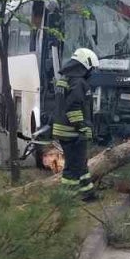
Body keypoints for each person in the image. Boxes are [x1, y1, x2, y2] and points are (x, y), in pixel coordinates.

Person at [52, 48, 98, 201]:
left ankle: (88, 194)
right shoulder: (78, 82)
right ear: (84, 66)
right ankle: (67, 199)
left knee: (80, 164)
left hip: (63, 130)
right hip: (73, 132)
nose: (91, 73)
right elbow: (73, 106)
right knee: (73, 167)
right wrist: (83, 127)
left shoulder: (65, 80)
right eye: (90, 69)